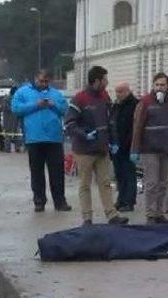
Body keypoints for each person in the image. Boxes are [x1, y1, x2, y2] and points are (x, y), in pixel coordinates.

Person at [65, 66, 128, 226]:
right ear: (97, 81)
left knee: (105, 183)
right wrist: (84, 134)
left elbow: (111, 121)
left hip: (102, 149)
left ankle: (112, 215)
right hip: (84, 151)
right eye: (105, 80)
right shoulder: (79, 99)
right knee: (85, 185)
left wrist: (114, 141)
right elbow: (70, 123)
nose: (107, 83)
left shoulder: (105, 97)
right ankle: (87, 218)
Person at [12, 70, 71, 212]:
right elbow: (16, 109)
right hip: (34, 139)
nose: (43, 84)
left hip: (54, 139)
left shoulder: (56, 94)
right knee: (37, 172)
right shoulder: (22, 92)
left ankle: (60, 201)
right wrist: (36, 105)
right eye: (41, 81)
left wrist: (53, 105)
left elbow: (64, 109)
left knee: (57, 172)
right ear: (35, 79)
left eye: (46, 82)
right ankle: (39, 201)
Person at [130, 72, 168, 224]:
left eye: (163, 85)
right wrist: (135, 149)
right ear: (153, 86)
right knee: (152, 183)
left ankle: (159, 213)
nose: (160, 88)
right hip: (150, 149)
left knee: (163, 183)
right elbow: (138, 126)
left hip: (167, 148)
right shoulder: (145, 102)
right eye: (157, 85)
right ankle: (150, 214)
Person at [110, 82, 138, 212]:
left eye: (120, 91)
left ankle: (129, 201)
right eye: (117, 92)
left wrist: (129, 144)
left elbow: (134, 127)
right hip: (116, 146)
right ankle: (121, 199)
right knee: (119, 175)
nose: (118, 94)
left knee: (129, 175)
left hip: (128, 146)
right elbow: (112, 123)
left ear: (127, 91)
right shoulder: (116, 105)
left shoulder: (134, 105)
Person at [2, 86, 23, 153]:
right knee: (12, 135)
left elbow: (5, 108)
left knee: (12, 135)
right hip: (12, 120)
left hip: (11, 120)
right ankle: (13, 148)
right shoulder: (9, 99)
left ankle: (11, 148)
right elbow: (6, 108)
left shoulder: (8, 99)